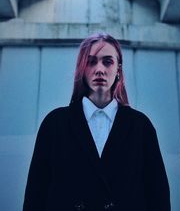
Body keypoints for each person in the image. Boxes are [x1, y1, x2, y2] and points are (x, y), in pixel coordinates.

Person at [23, 32, 171, 211]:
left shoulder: (141, 126)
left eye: (107, 61)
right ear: (82, 69)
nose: (99, 69)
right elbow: (36, 194)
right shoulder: (54, 124)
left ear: (118, 69)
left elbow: (158, 195)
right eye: (91, 61)